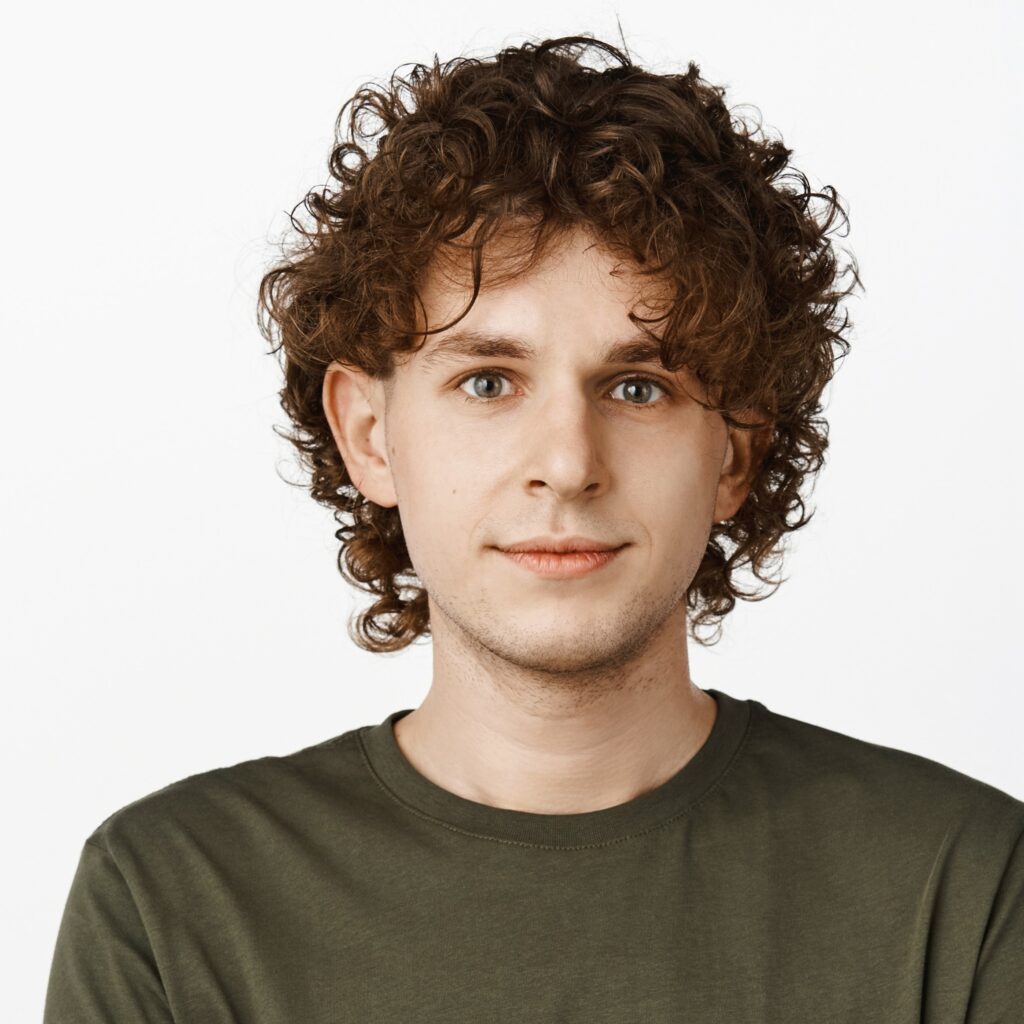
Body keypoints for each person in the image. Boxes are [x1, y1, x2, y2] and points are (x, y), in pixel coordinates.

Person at [44, 34, 1023, 1022]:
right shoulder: (172, 902)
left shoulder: (967, 891)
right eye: (487, 382)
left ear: (733, 451)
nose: (566, 459)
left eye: (638, 386)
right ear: (370, 435)